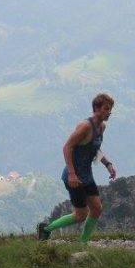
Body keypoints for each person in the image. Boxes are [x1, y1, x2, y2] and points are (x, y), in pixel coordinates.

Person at [37, 93, 116, 245]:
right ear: (96, 109)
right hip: (74, 176)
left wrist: (108, 164)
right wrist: (72, 174)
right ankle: (46, 229)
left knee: (97, 209)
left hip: (87, 175)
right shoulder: (85, 126)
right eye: (106, 108)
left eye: (110, 109)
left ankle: (83, 244)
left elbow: (95, 148)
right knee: (80, 214)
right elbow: (67, 147)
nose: (109, 112)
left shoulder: (102, 127)